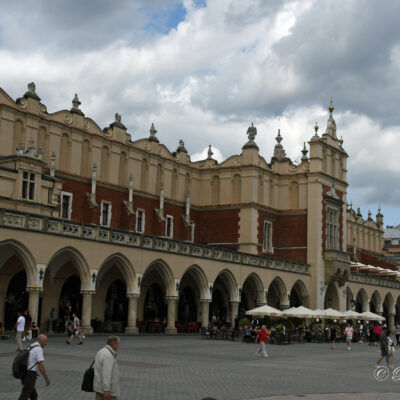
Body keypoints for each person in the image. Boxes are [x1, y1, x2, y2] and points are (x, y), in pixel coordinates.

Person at [18, 334, 50, 400]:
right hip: (30, 375)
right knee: (25, 395)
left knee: (34, 395)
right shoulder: (38, 349)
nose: (46, 344)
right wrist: (46, 378)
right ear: (41, 341)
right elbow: (40, 366)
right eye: (45, 341)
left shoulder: (31, 345)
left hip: (24, 372)